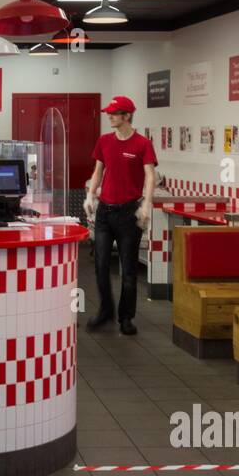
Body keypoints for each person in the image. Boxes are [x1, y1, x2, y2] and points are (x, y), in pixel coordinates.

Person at [84, 96, 157, 335]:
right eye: (108, 113)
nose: (109, 116)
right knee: (101, 265)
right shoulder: (104, 141)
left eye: (114, 113)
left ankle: (126, 317)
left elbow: (149, 176)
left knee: (128, 270)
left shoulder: (142, 144)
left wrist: (146, 204)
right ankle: (106, 310)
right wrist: (90, 195)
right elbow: (98, 171)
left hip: (128, 214)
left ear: (127, 116)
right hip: (105, 211)